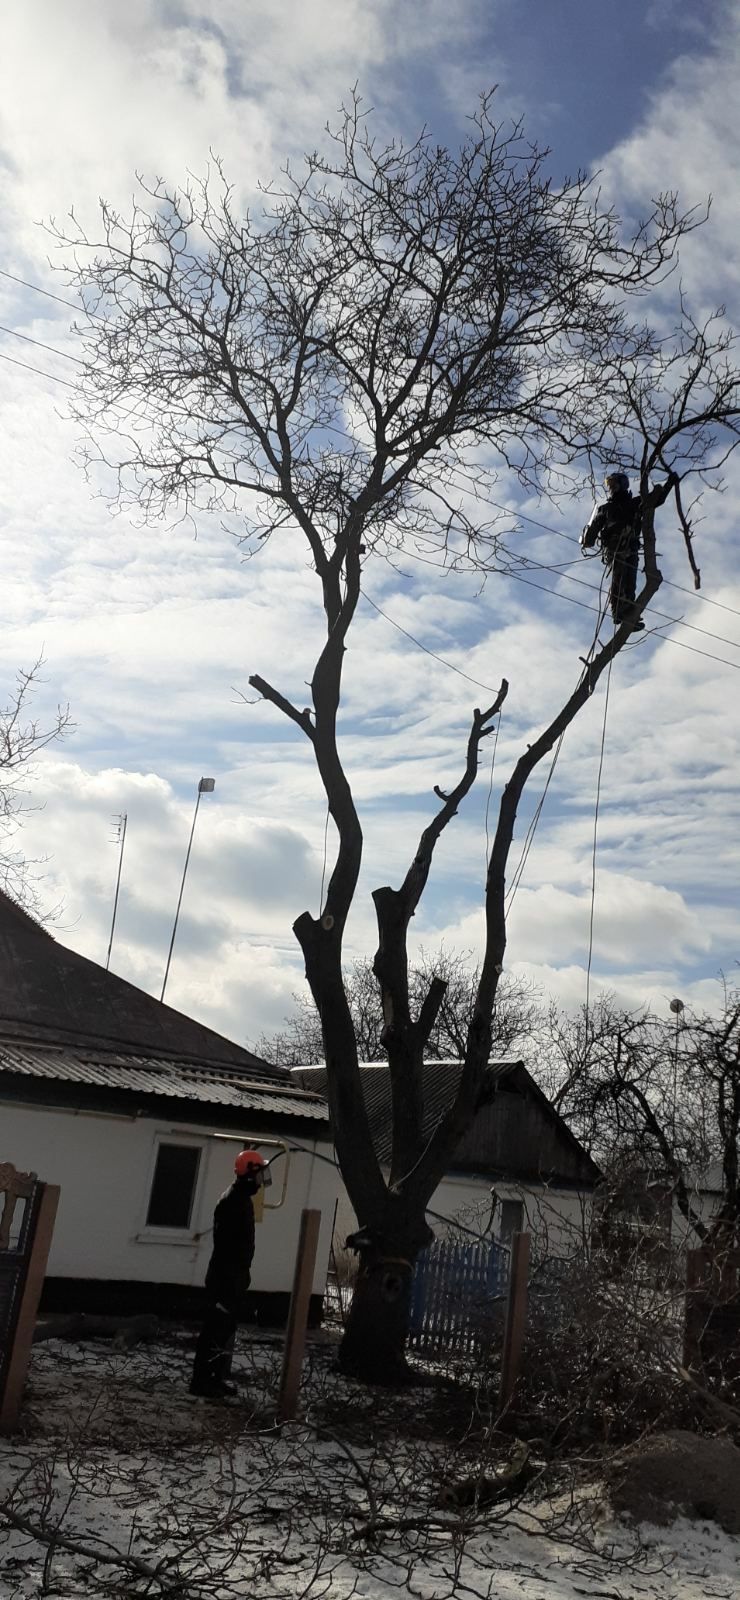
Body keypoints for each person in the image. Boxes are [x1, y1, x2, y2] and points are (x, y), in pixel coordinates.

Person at [190, 1148, 270, 1400]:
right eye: (258, 1174)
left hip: (233, 1278)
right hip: (224, 1279)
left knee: (224, 1332)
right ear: (249, 1174)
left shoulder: (241, 1199)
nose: (261, 1181)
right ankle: (202, 1382)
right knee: (214, 1332)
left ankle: (215, 1378)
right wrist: (229, 1284)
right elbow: (227, 1248)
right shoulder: (232, 1201)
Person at [580, 469, 677, 631]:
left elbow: (656, 500)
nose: (611, 488)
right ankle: (618, 610)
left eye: (613, 484)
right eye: (609, 485)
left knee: (629, 579)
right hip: (615, 548)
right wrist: (587, 540)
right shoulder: (605, 509)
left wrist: (668, 485)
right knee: (620, 577)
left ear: (622, 485)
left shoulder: (634, 503)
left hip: (630, 546)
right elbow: (592, 532)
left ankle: (628, 612)